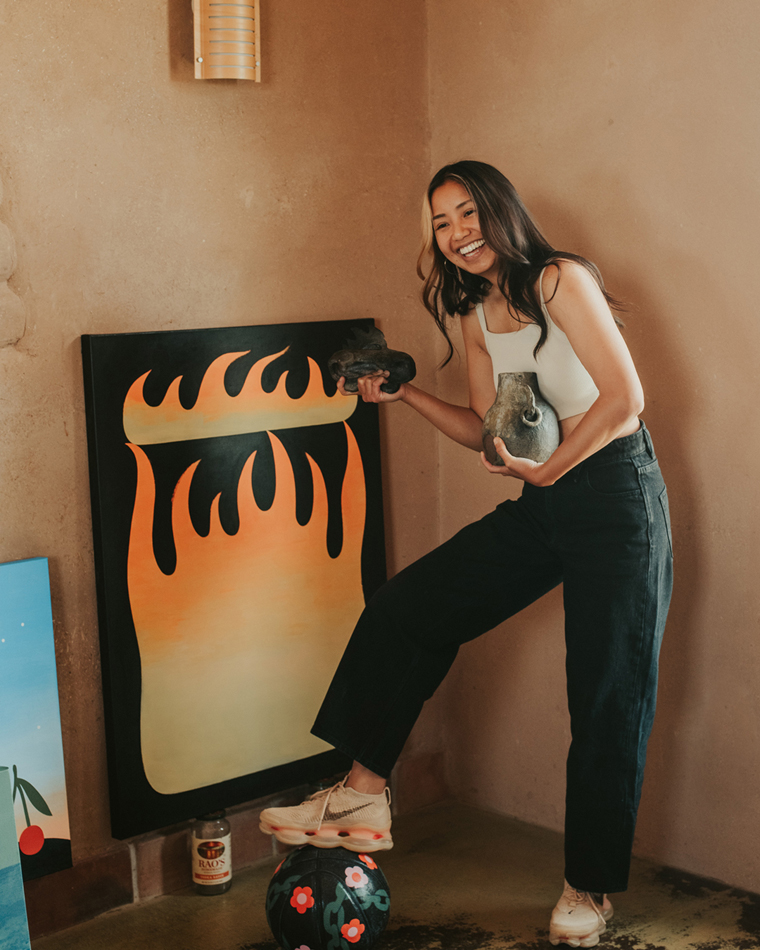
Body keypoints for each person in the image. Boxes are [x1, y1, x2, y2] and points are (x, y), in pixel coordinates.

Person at [260, 161, 673, 948]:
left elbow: (626, 400)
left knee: (606, 697)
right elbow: (490, 428)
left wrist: (551, 468)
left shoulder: (560, 281)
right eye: (441, 223)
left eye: (466, 212)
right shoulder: (478, 313)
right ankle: (363, 793)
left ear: (499, 209)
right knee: (408, 607)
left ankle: (587, 886)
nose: (456, 233)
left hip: (620, 499)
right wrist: (404, 396)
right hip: (545, 502)